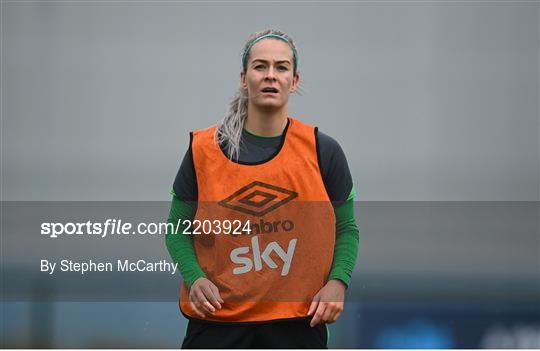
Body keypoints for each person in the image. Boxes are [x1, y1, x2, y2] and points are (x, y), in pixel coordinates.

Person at [165, 29, 360, 349]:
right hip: (218, 322)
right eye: (260, 66)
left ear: (294, 81)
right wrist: (195, 276)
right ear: (244, 78)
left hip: (297, 321)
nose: (271, 75)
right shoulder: (204, 149)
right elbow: (176, 227)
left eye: (281, 67)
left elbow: (347, 229)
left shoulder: (323, 151)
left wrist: (338, 282)